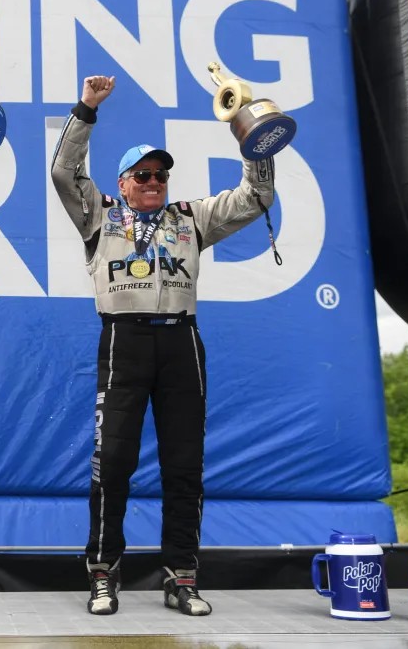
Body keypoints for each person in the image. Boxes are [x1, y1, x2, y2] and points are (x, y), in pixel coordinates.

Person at [50, 75, 277, 617]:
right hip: (123, 342)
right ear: (124, 183)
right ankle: (103, 574)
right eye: (144, 175)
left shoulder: (189, 218)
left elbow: (257, 196)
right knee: (115, 462)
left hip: (181, 344)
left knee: (184, 466)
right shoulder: (99, 215)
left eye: (161, 174)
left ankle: (182, 576)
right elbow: (63, 170)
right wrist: (86, 109)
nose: (155, 181)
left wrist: (254, 140)